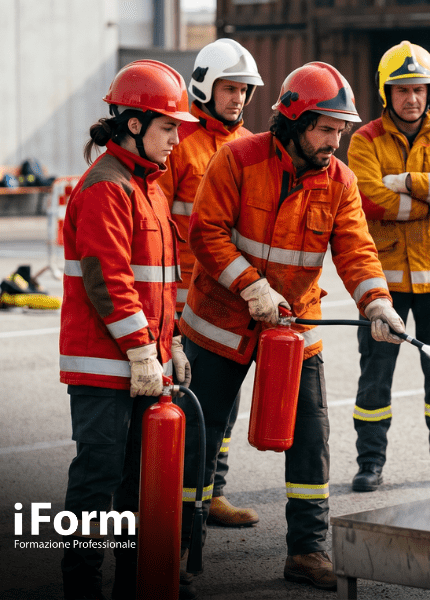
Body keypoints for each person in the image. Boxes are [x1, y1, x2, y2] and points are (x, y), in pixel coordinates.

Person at [177, 61, 405, 591]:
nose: (335, 140)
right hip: (219, 324)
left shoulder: (340, 181)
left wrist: (377, 303)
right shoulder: (238, 158)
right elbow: (205, 234)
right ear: (294, 119)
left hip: (295, 325)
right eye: (326, 128)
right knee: (199, 442)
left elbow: (356, 250)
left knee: (311, 439)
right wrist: (252, 287)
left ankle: (307, 551)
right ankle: (181, 554)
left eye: (340, 130)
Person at [58, 60, 197, 599]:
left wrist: (174, 342)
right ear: (134, 124)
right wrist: (144, 351)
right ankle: (82, 587)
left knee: (139, 487)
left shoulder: (149, 187)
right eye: (168, 127)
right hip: (104, 368)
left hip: (144, 363)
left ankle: (137, 586)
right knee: (98, 481)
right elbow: (109, 280)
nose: (176, 140)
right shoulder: (106, 188)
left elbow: (161, 282)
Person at [346, 40, 430, 492]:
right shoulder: (364, 140)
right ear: (387, 92)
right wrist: (429, 200)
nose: (411, 98)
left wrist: (404, 184)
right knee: (375, 378)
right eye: (402, 89)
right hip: (382, 283)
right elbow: (366, 198)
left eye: (419, 88)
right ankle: (370, 465)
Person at [158, 38, 263, 529]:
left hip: (228, 304)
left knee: (218, 409)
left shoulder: (252, 149)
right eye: (229, 89)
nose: (238, 99)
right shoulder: (179, 143)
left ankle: (212, 492)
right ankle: (167, 499)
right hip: (178, 303)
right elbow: (154, 219)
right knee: (175, 407)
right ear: (204, 86)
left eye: (244, 90)